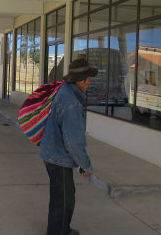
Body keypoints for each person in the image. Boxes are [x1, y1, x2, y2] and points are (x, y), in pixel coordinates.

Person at [39, 58, 97, 235]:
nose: (90, 81)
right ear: (79, 81)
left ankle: (62, 229)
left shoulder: (65, 91)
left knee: (62, 198)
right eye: (88, 78)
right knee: (63, 201)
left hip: (52, 153)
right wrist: (85, 166)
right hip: (58, 158)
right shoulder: (71, 102)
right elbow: (73, 142)